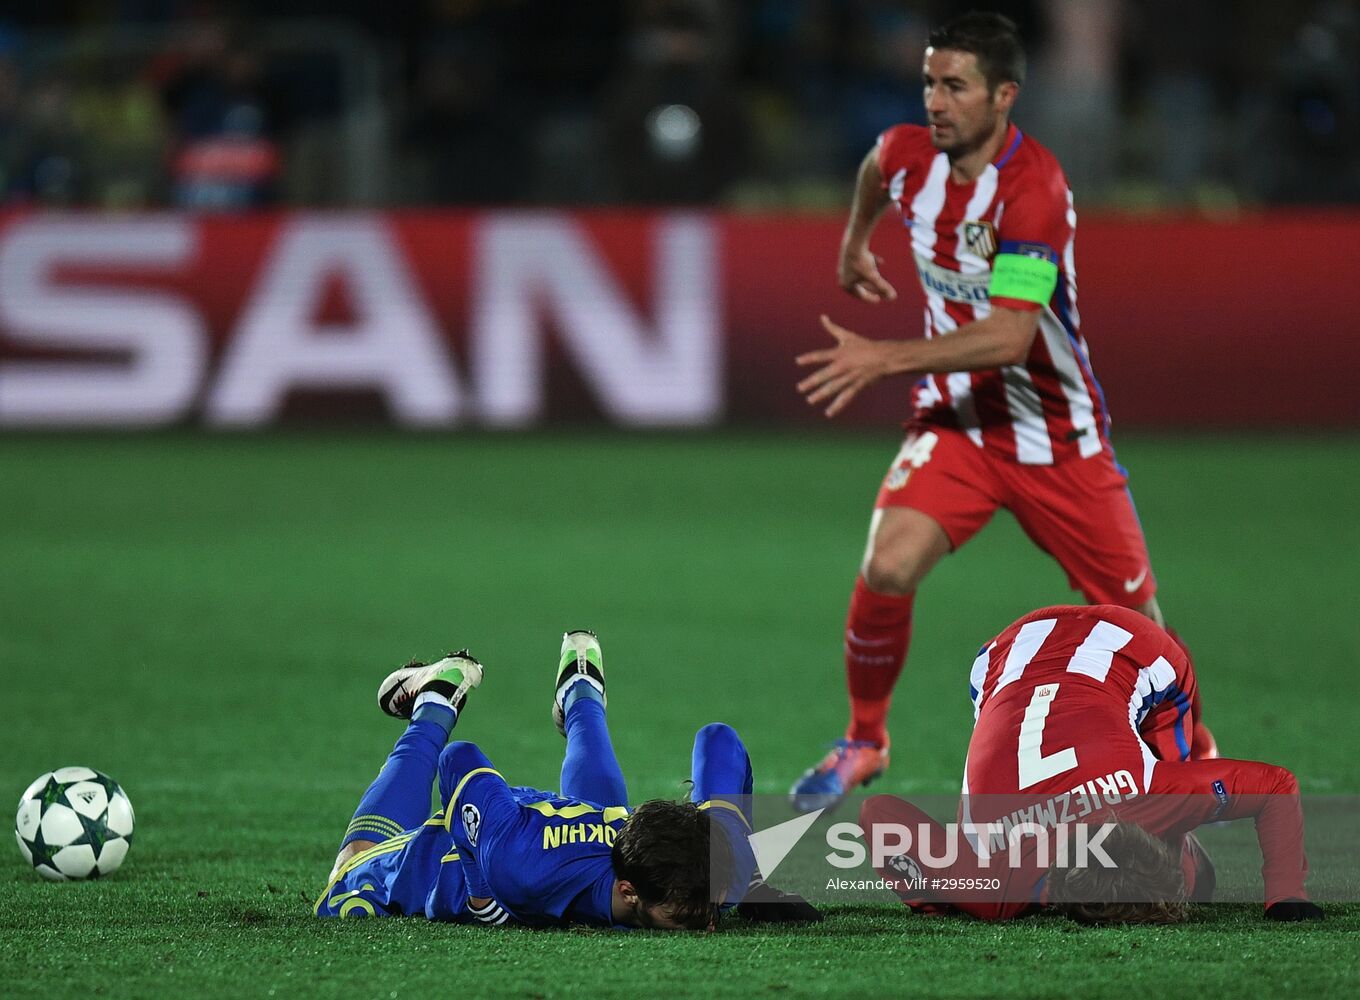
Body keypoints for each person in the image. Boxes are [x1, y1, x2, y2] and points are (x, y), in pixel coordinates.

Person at [789, 11, 1212, 810]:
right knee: (887, 564)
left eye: (955, 86)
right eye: (928, 83)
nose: (935, 102)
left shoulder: (1033, 190)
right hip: (958, 426)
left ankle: (1193, 760)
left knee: (1137, 621)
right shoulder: (909, 155)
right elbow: (877, 167)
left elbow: (1011, 337)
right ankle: (865, 740)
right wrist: (854, 244)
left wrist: (882, 358)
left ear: (1004, 96)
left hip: (1056, 436)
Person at [315, 631, 819, 928]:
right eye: (688, 916)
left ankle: (581, 685)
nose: (708, 924)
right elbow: (460, 761)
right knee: (348, 869)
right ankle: (435, 698)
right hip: (464, 846)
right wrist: (481, 897)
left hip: (571, 831)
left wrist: (750, 880)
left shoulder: (710, 866)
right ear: (629, 891)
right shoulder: (519, 869)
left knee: (601, 806)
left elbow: (719, 739)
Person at [857, 604, 1323, 923]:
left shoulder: (991, 888)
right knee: (1200, 878)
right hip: (1029, 653)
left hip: (1065, 650)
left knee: (1199, 877)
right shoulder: (989, 888)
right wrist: (940, 894)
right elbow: (879, 816)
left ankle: (1196, 755)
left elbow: (1277, 785)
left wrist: (1285, 896)